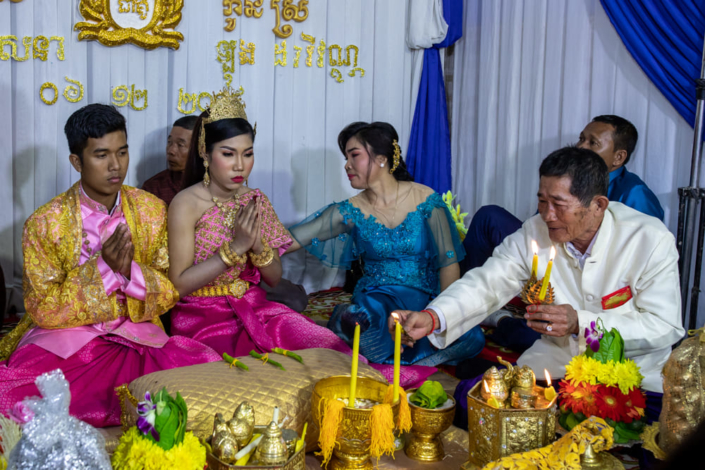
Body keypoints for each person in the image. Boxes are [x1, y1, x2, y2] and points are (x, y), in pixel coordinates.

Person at [391, 146, 683, 393]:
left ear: (598, 205)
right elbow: (487, 282)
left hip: (630, 376)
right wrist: (434, 317)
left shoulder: (649, 240)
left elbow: (664, 326)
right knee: (473, 405)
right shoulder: (536, 230)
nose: (547, 215)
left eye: (558, 204)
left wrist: (580, 322)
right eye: (542, 201)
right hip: (556, 363)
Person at [0, 104, 221, 428]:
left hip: (136, 332)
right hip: (65, 337)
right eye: (101, 155)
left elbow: (169, 290)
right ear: (77, 161)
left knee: (197, 388)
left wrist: (127, 270)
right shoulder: (45, 223)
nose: (115, 165)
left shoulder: (151, 211)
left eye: (122, 152)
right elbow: (43, 308)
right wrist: (103, 269)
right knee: (24, 403)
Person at [167, 88, 352, 359]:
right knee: (248, 375)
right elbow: (179, 284)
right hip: (201, 316)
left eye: (248, 154)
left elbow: (274, 278)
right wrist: (235, 249)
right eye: (228, 154)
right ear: (205, 155)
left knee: (328, 351)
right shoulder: (186, 203)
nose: (240, 166)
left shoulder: (255, 199)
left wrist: (257, 246)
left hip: (252, 306)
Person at [286, 122, 485, 369]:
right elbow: (291, 239)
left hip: (423, 301)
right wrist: (248, 240)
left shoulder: (425, 199)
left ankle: (406, 359)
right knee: (362, 319)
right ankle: (401, 358)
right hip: (377, 302)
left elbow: (448, 264)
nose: (346, 165)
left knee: (471, 337)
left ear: (381, 158)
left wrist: (441, 314)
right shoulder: (350, 210)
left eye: (354, 155)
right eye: (346, 157)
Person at [461, 115, 665, 351]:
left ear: (619, 157)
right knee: (490, 217)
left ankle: (502, 322)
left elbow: (633, 262)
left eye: (593, 143)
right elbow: (546, 231)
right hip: (557, 263)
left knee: (538, 337)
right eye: (581, 139)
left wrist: (579, 321)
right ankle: (475, 313)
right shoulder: (558, 193)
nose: (581, 147)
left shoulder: (636, 197)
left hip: (598, 305)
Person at [142, 116, 197, 206]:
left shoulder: (216, 185)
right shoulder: (154, 187)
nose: (171, 151)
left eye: (180, 145)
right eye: (169, 142)